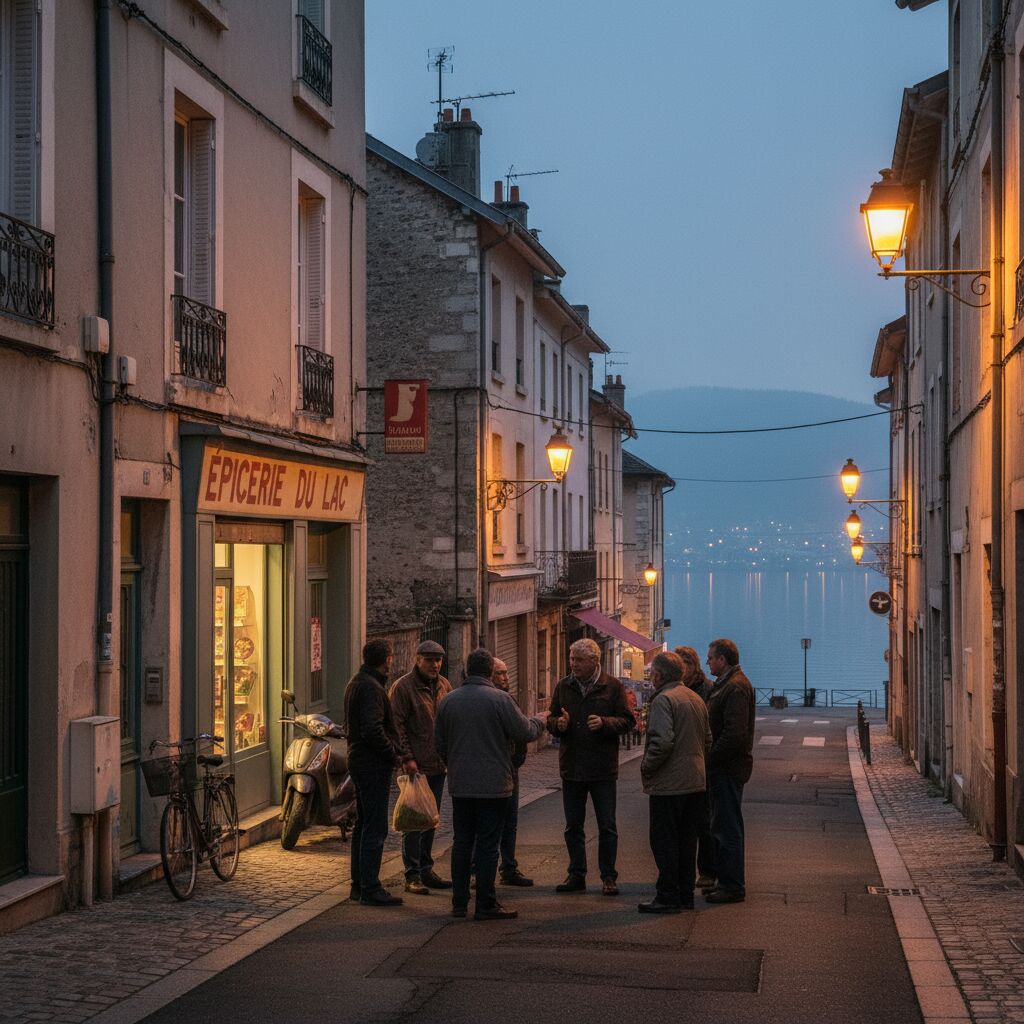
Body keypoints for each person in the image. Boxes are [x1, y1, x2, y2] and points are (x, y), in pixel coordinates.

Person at [434, 648, 546, 921]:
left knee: (462, 842)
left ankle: (459, 902)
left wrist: (456, 763)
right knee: (487, 844)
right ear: (488, 672)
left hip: (461, 784)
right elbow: (524, 731)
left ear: (466, 670)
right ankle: (485, 902)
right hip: (494, 784)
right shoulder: (500, 700)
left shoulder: (448, 701)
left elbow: (439, 744)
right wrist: (540, 721)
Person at [547, 637, 635, 895]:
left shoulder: (612, 687)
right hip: (572, 767)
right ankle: (576, 874)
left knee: (607, 825)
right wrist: (557, 725)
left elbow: (628, 721)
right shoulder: (564, 686)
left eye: (579, 660)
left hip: (602, 769)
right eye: (572, 659)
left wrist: (605, 723)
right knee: (573, 826)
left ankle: (608, 876)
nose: (573, 664)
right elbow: (551, 716)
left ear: (594, 661)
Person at [344, 638, 417, 907]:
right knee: (374, 827)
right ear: (385, 659)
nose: (392, 661)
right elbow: (372, 730)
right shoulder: (371, 688)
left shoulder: (358, 683)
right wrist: (393, 755)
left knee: (364, 824)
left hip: (361, 759)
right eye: (390, 657)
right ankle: (370, 887)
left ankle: (359, 884)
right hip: (371, 763)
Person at [638, 651, 712, 914]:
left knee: (665, 840)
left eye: (652, 673)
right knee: (687, 840)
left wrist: (647, 766)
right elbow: (708, 740)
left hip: (670, 784)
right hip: (695, 781)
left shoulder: (663, 700)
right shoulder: (696, 698)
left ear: (658, 675)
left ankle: (667, 895)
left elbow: (662, 741)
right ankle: (685, 895)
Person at [388, 640, 453, 896]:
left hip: (437, 764)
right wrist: (407, 758)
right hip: (415, 766)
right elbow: (397, 726)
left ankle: (426, 868)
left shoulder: (444, 686)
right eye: (429, 660)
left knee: (430, 819)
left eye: (438, 660)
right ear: (418, 660)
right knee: (413, 821)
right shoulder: (403, 688)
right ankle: (411, 874)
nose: (435, 664)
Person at [704, 637, 756, 904]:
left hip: (727, 768)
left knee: (727, 826)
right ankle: (725, 881)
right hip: (725, 767)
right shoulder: (728, 685)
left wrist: (710, 758)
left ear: (723, 659)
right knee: (722, 825)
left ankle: (732, 885)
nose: (708, 662)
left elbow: (735, 734)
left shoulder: (735, 688)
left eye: (711, 657)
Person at [675, 644, 715, 888]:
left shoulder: (707, 690)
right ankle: (683, 872)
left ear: (691, 666)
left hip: (701, 763)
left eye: (682, 667)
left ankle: (707, 871)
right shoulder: (676, 689)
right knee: (682, 822)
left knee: (704, 821)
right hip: (682, 765)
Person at [492, 657, 532, 887]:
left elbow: (520, 733)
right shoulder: (494, 701)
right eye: (500, 674)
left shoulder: (510, 700)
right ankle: (479, 870)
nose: (506, 678)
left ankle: (508, 867)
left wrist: (518, 759)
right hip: (492, 771)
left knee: (510, 822)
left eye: (507, 673)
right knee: (487, 824)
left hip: (510, 769)